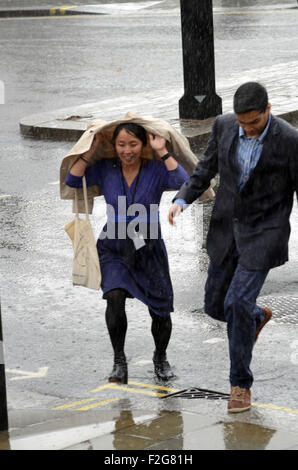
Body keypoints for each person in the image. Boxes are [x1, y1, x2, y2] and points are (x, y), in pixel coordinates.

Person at [168, 82, 298, 412]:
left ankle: (240, 384)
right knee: (216, 305)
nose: (247, 129)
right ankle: (255, 317)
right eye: (243, 123)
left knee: (237, 301)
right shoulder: (224, 126)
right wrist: (183, 199)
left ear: (268, 110)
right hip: (226, 229)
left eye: (253, 123)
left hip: (265, 231)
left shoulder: (289, 141)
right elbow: (205, 169)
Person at [65, 122, 189, 384]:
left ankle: (161, 358)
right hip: (114, 245)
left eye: (133, 144)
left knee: (160, 309)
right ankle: (119, 361)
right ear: (114, 145)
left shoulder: (155, 169)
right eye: (121, 144)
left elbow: (183, 181)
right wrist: (89, 151)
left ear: (143, 145)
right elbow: (72, 179)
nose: (126, 150)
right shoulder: (105, 168)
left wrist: (163, 151)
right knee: (114, 297)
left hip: (148, 245)